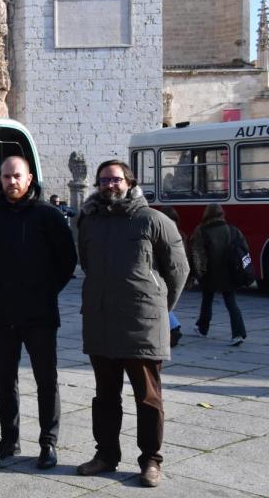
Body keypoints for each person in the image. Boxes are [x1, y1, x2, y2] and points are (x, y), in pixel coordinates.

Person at [76, 160, 189, 488]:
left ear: (129, 181)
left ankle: (151, 460)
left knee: (148, 397)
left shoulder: (153, 219)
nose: (109, 185)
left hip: (142, 323)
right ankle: (106, 455)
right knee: (105, 395)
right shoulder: (89, 221)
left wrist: (159, 307)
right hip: (100, 321)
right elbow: (86, 262)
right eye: (104, 180)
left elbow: (178, 269)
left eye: (115, 179)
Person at [0, 156, 77, 469]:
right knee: (5, 380)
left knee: (46, 380)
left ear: (29, 178)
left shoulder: (48, 215)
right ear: (0, 178)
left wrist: (45, 291)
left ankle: (48, 443)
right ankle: (9, 439)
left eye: (16, 176)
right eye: (6, 176)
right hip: (2, 313)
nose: (11, 182)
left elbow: (66, 261)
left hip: (40, 314)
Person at [190, 203, 248, 346]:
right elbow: (243, 250)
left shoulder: (201, 230)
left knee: (207, 300)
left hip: (210, 274)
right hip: (229, 273)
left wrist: (199, 274)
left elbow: (198, 255)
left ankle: (203, 329)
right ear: (222, 213)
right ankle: (238, 333)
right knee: (231, 303)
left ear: (206, 214)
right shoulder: (232, 230)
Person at [156, 206, 185, 348]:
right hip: (173, 273)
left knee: (161, 302)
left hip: (161, 274)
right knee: (163, 302)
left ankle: (173, 329)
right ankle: (174, 327)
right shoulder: (179, 233)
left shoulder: (161, 231)